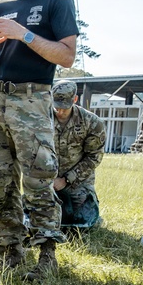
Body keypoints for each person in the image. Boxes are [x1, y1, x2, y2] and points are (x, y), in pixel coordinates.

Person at [0, 0, 78, 279]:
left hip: (32, 98)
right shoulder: (0, 8)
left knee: (38, 177)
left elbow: (66, 56)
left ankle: (47, 254)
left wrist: (25, 35)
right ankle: (9, 250)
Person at [51, 80, 105, 230]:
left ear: (75, 100)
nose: (60, 111)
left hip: (77, 181)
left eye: (64, 107)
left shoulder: (92, 122)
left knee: (83, 221)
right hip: (48, 179)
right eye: (57, 106)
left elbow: (94, 156)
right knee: (35, 215)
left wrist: (67, 179)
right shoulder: (42, 120)